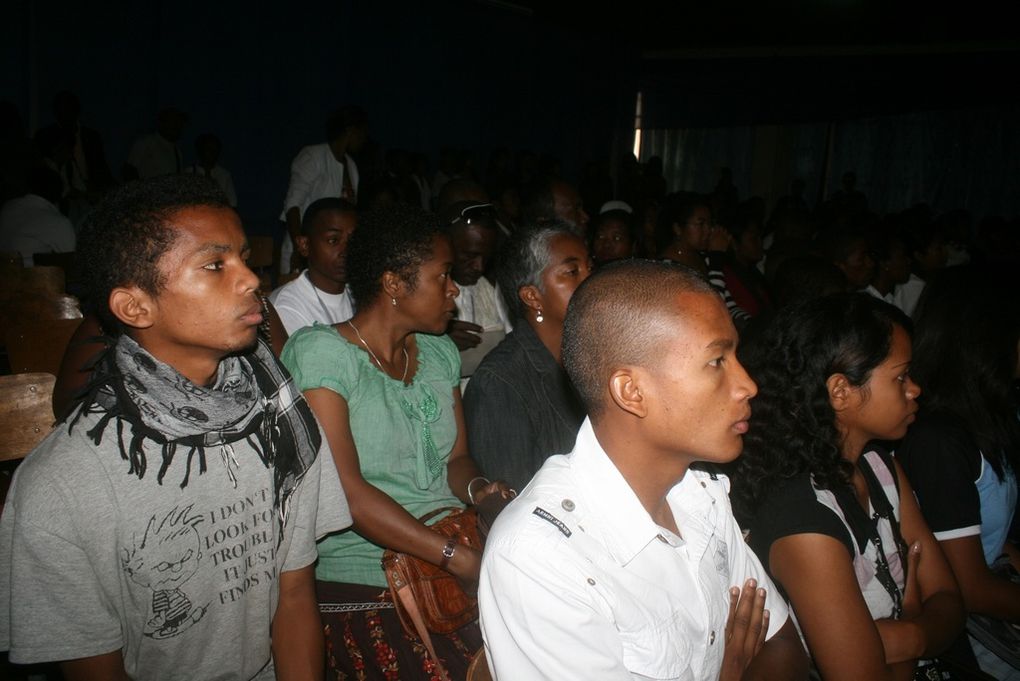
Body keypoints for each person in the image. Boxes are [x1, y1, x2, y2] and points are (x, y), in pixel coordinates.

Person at [0, 174, 350, 680]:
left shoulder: (280, 423)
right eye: (214, 265)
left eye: (244, 258)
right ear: (135, 306)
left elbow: (293, 595)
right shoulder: (64, 485)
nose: (251, 278)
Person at [479, 260, 808, 680]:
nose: (748, 385)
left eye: (736, 356)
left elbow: (782, 645)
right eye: (717, 361)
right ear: (632, 391)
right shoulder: (543, 557)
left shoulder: (698, 495)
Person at [280, 204, 512, 679]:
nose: (455, 291)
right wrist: (453, 557)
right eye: (443, 276)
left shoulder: (438, 353)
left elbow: (457, 460)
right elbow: (346, 492)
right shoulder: (321, 353)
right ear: (393, 283)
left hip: (448, 553)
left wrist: (480, 492)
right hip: (366, 577)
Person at [732, 293, 965, 680]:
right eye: (901, 377)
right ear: (840, 391)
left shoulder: (878, 465)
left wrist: (908, 636)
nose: (915, 390)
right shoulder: (803, 518)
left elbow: (950, 598)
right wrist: (918, 623)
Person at [896, 266, 1020, 679]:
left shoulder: (984, 417)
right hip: (970, 634)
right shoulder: (939, 439)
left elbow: (993, 537)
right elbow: (969, 588)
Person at [463, 224, 590, 492]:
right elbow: (512, 501)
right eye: (572, 272)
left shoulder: (594, 356)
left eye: (590, 268)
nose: (590, 280)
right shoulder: (500, 384)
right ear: (532, 296)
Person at [279, 105, 367, 273]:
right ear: (350, 131)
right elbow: (292, 205)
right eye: (362, 133)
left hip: (335, 256)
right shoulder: (312, 157)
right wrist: (300, 249)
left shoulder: (352, 166)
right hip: (306, 252)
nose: (364, 139)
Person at [441, 201, 512, 384]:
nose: (479, 267)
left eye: (486, 257)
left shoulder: (492, 288)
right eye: (469, 256)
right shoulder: (419, 294)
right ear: (444, 244)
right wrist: (437, 342)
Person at [269, 197, 357, 335]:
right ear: (304, 245)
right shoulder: (286, 306)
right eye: (333, 240)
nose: (346, 251)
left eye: (353, 241)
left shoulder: (362, 293)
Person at [0, 165, 76, 264]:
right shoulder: (57, 222)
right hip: (34, 277)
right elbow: (74, 262)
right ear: (59, 194)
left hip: (5, 274)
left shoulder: (8, 207)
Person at [123, 107, 187, 180]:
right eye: (174, 122)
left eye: (179, 123)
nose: (177, 126)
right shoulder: (146, 142)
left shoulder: (177, 152)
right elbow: (129, 170)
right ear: (162, 123)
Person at [185, 133, 238, 207]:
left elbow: (232, 203)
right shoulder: (189, 172)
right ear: (200, 150)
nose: (212, 153)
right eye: (208, 149)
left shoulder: (224, 175)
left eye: (215, 150)